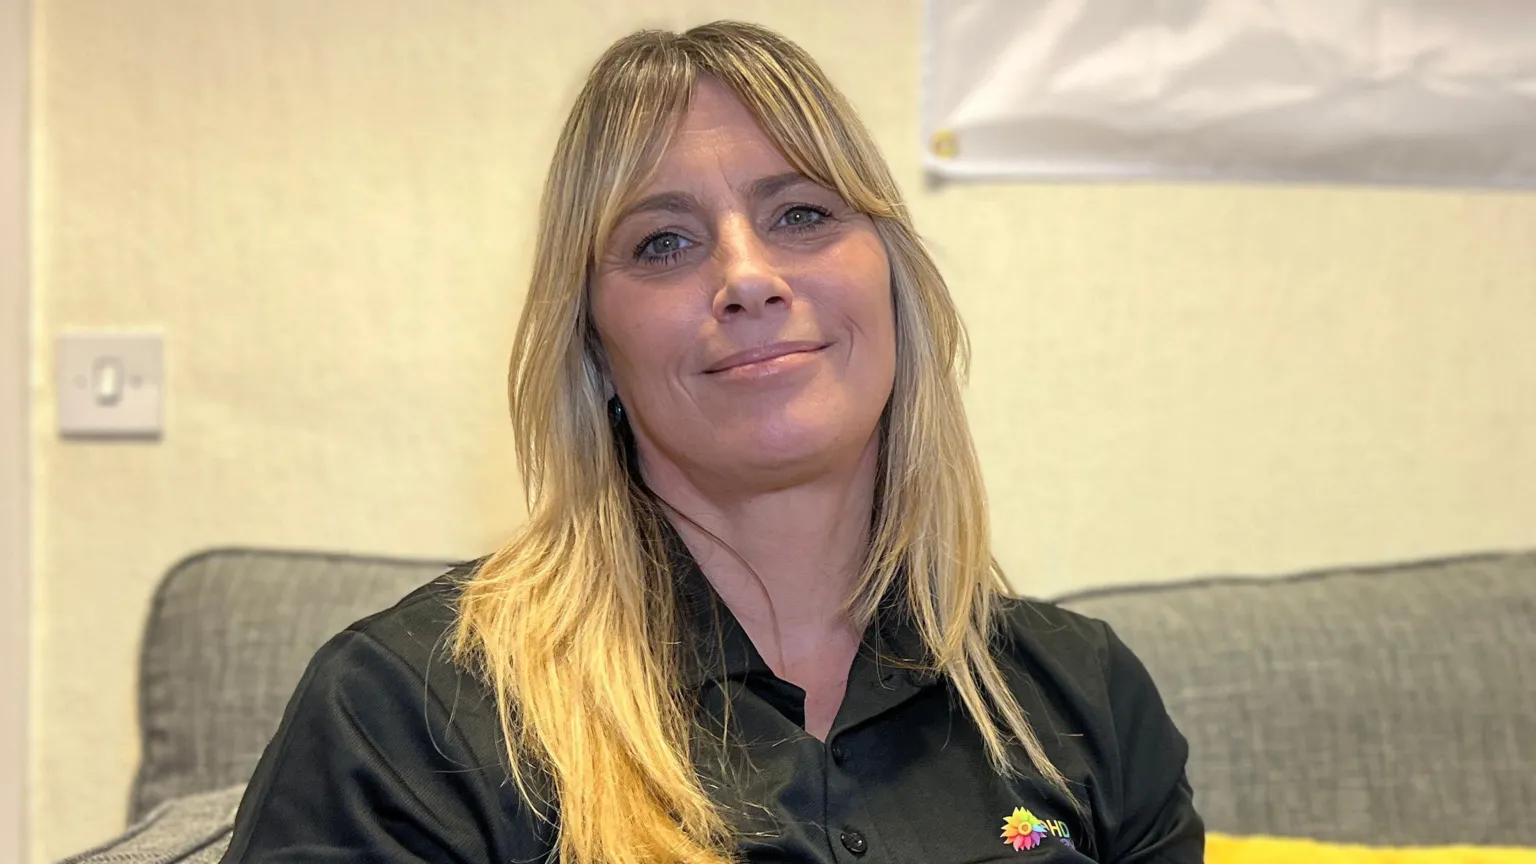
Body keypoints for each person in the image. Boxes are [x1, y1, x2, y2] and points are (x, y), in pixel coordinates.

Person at [221, 20, 1203, 864]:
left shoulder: (1082, 697)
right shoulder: (408, 714)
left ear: (893, 289)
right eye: (663, 242)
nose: (748, 276)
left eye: (803, 214)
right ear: (596, 347)